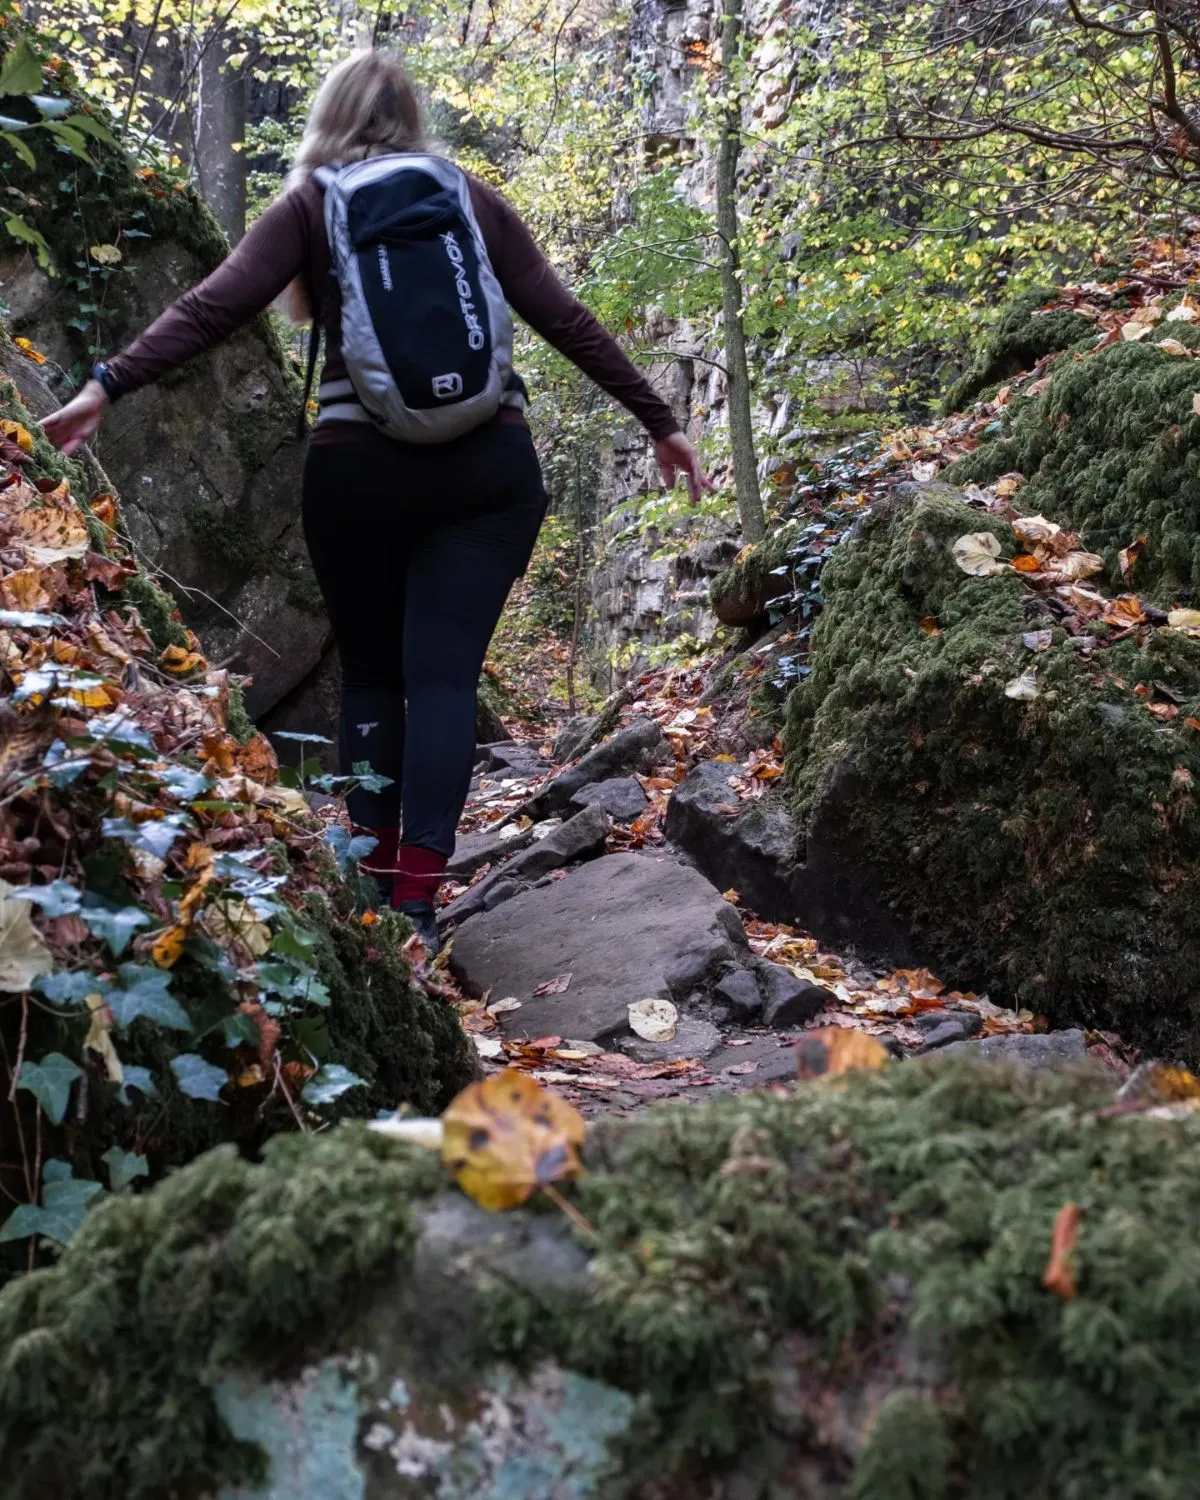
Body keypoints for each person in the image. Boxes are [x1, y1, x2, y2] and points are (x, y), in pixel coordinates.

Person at [42, 48, 709, 950]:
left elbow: (214, 306)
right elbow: (566, 317)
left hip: (357, 472)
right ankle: (417, 904)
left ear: (328, 118)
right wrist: (659, 420)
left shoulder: (316, 201)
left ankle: (366, 880)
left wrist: (105, 386)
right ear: (413, 120)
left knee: (371, 675)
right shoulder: (464, 194)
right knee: (442, 678)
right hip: (490, 472)